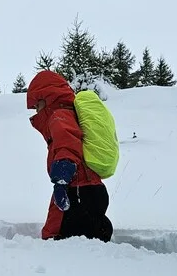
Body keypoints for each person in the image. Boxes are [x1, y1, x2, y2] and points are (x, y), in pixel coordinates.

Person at [26, 70, 113, 242]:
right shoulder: (67, 114)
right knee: (89, 234)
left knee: (70, 241)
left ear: (47, 99)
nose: (36, 111)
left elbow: (67, 145)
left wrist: (61, 179)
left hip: (78, 190)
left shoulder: (59, 116)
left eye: (37, 105)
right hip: (87, 188)